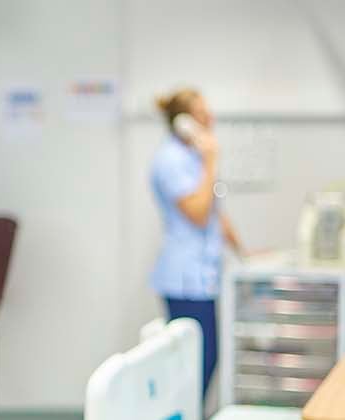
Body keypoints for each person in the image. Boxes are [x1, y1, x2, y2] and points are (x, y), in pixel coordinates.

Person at [150, 87, 246, 404]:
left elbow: (218, 215)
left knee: (206, 358)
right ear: (183, 123)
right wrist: (211, 160)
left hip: (202, 277)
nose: (210, 120)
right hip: (184, 280)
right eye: (203, 115)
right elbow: (199, 214)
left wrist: (245, 253)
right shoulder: (170, 160)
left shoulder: (193, 158)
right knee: (194, 362)